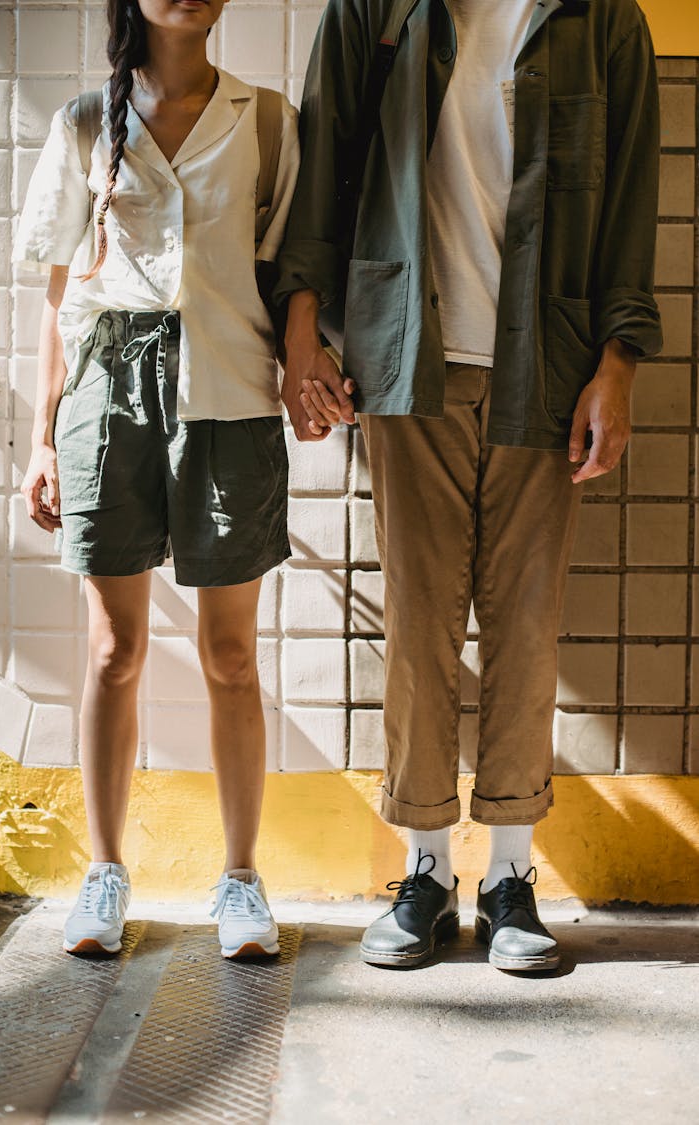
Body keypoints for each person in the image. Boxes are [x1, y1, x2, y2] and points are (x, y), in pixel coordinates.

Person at [277, 0, 661, 970]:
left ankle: (511, 878)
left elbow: (629, 198)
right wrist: (303, 326)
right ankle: (428, 868)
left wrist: (619, 362)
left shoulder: (601, 18)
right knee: (420, 619)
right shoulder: (378, 7)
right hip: (407, 360)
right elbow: (326, 161)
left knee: (527, 620)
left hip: (553, 360)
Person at [14, 0, 299, 959]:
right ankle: (104, 872)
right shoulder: (87, 123)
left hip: (231, 394)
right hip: (109, 397)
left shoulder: (265, 119)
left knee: (230, 656)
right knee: (111, 651)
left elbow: (293, 273)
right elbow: (60, 298)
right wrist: (45, 436)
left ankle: (241, 878)